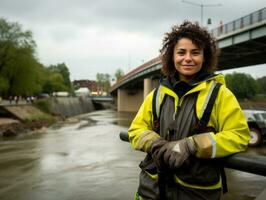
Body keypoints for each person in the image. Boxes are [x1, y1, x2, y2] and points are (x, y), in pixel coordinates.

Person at [128, 21, 250, 200]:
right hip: (151, 191)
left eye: (195, 52)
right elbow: (135, 131)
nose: (188, 58)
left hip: (197, 193)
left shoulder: (221, 95)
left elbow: (240, 136)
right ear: (171, 57)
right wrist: (156, 143)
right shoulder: (156, 95)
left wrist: (193, 145)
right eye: (181, 52)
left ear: (205, 57)